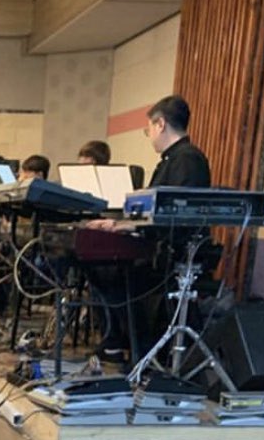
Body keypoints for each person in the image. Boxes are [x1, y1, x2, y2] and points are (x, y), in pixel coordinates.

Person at [87, 95, 211, 361]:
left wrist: (127, 226)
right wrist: (120, 223)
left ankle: (134, 346)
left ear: (160, 124)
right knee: (100, 266)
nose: (150, 136)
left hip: (173, 255)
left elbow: (174, 218)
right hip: (158, 246)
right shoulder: (173, 160)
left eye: (148, 130)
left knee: (109, 271)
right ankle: (120, 342)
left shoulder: (187, 160)